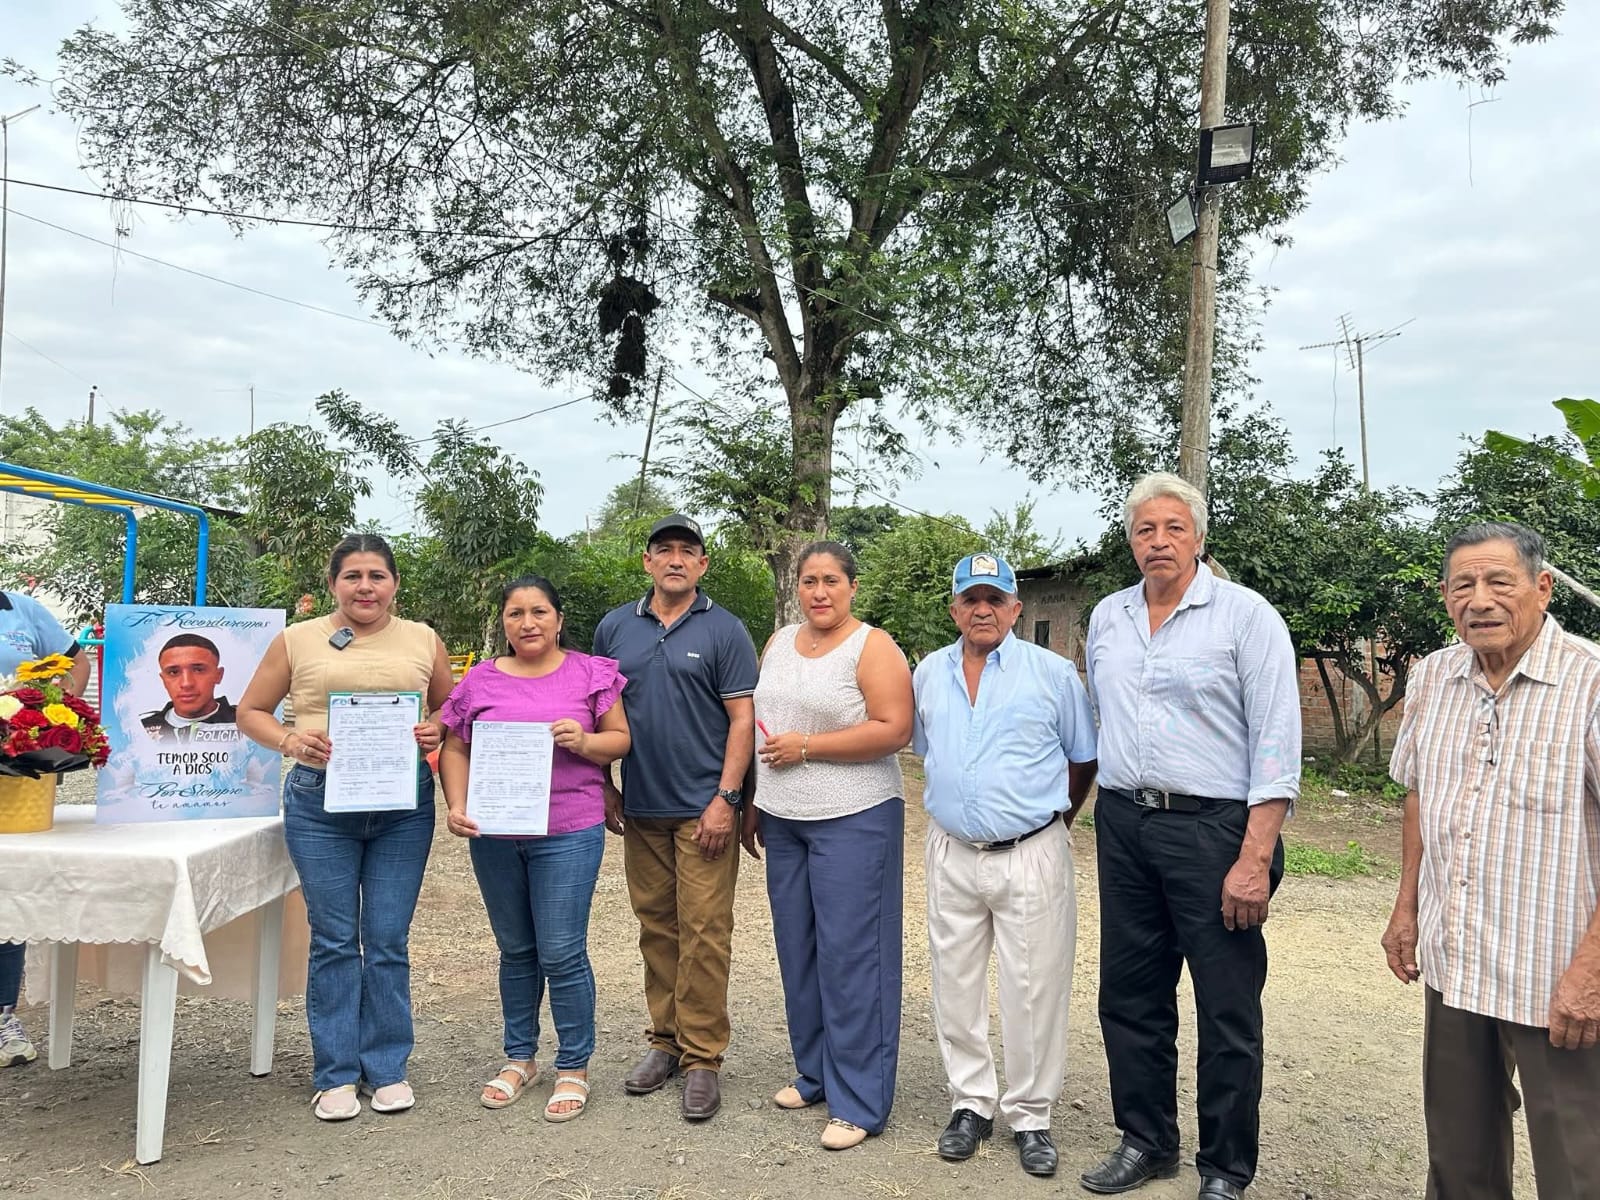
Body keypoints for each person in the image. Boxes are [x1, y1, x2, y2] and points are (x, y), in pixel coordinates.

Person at [1081, 472, 1299, 1200]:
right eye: (1145, 529)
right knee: (1131, 993)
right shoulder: (1109, 616)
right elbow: (1103, 715)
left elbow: (1277, 742)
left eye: (1174, 528)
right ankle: (1146, 1141)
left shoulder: (1245, 616)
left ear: (1199, 538)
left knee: (1226, 1005)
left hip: (1215, 830)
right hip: (1124, 822)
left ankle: (1225, 1168)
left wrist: (1255, 856)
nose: (1159, 541)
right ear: (1130, 542)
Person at [1382, 521, 1600, 1200]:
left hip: (1557, 971)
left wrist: (1592, 971)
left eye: (1499, 581)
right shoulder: (1433, 677)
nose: (1479, 600)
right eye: (1462, 585)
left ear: (1542, 588)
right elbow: (1420, 794)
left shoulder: (1591, 681)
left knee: (1578, 1163)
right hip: (1458, 957)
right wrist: (1406, 909)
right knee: (1458, 1155)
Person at [237, 533, 454, 1122]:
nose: (365, 587)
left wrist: (436, 728)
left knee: (386, 939)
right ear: (333, 584)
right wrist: (290, 741)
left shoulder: (423, 639)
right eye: (352, 576)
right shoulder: (297, 639)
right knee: (334, 938)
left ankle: (386, 1068)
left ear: (395, 584)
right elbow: (249, 711)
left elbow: (449, 707)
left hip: (402, 807)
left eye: (377, 576)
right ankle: (334, 1073)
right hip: (320, 805)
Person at [913, 551, 1098, 1180]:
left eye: (995, 599)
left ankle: (1031, 1114)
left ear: (1016, 609)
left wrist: (1052, 825)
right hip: (953, 850)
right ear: (954, 609)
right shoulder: (929, 673)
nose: (983, 610)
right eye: (971, 599)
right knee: (955, 981)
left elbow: (1083, 759)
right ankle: (970, 1103)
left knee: (1034, 985)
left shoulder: (1053, 674)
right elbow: (930, 750)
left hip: (1031, 850)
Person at [438, 575, 631, 1123]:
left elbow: (621, 739)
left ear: (558, 619)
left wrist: (585, 741)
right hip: (496, 834)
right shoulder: (480, 679)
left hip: (569, 831)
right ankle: (520, 1057)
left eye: (539, 612)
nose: (528, 623)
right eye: (516, 614)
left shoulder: (590, 673)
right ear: (504, 622)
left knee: (562, 951)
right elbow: (455, 747)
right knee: (516, 949)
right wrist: (457, 804)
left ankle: (573, 1066)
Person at [591, 513, 759, 1122]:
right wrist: (604, 784)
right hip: (641, 806)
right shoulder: (615, 627)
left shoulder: (725, 630)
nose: (675, 559)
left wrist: (727, 799)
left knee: (705, 931)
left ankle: (703, 1057)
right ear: (647, 561)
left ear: (702, 564)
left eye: (688, 551)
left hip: (702, 809)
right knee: (657, 928)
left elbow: (742, 719)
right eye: (664, 550)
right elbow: (597, 711)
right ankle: (664, 1042)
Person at [750, 540, 913, 1151]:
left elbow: (894, 729)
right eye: (809, 580)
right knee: (799, 950)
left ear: (852, 587)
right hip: (784, 818)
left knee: (853, 957)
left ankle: (860, 1100)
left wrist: (808, 747)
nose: (819, 592)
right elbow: (761, 724)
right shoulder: (778, 642)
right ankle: (816, 1073)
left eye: (831, 581)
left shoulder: (872, 646)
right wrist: (756, 801)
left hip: (854, 816)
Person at [0, 591, 90, 1069]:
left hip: (15, 773)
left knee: (6, 889)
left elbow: (77, 661)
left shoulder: (21, 609)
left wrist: (58, 714)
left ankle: (2, 1016)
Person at [141, 633, 238, 742]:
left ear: (218, 675)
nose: (186, 683)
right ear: (163, 680)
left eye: (198, 670)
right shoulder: (139, 729)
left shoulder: (245, 724)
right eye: (173, 672)